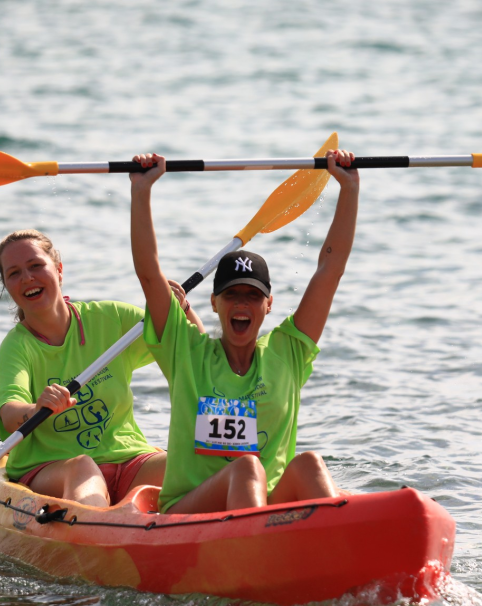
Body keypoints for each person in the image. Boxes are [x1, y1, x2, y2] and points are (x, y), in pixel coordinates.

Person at [130, 149, 360, 513]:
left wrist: (349, 188)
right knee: (247, 468)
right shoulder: (186, 351)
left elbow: (329, 270)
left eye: (252, 296)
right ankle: (261, 553)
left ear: (268, 305)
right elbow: (148, 272)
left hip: (262, 508)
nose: (241, 304)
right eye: (231, 294)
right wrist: (141, 192)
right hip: (188, 512)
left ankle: (345, 544)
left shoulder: (288, 352)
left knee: (310, 464)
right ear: (213, 303)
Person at [0, 229, 205, 507]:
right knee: (83, 467)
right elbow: (9, 413)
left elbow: (199, 356)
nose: (28, 278)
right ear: (7, 286)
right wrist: (35, 409)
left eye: (35, 266)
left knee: (199, 459)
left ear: (58, 270)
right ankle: (98, 534)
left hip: (129, 459)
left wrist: (182, 308)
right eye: (14, 273)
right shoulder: (17, 347)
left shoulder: (112, 318)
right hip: (53, 467)